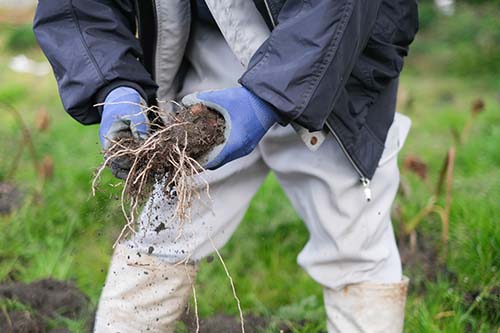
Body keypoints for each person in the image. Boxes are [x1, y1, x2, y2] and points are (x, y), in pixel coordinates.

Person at [34, 0, 419, 332]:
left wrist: (270, 95)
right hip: (210, 47)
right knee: (165, 232)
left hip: (333, 63)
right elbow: (77, 8)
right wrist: (111, 82)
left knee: (355, 239)